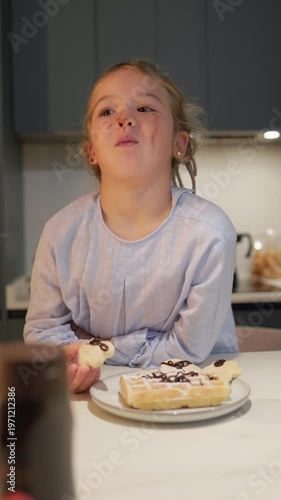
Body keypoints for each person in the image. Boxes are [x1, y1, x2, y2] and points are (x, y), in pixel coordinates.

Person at [24, 59, 238, 393]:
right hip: (92, 398)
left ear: (178, 144)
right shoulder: (59, 233)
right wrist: (73, 357)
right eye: (106, 112)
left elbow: (187, 351)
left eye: (144, 107)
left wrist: (98, 346)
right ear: (92, 151)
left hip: (199, 400)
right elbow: (42, 334)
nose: (124, 119)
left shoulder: (210, 234)